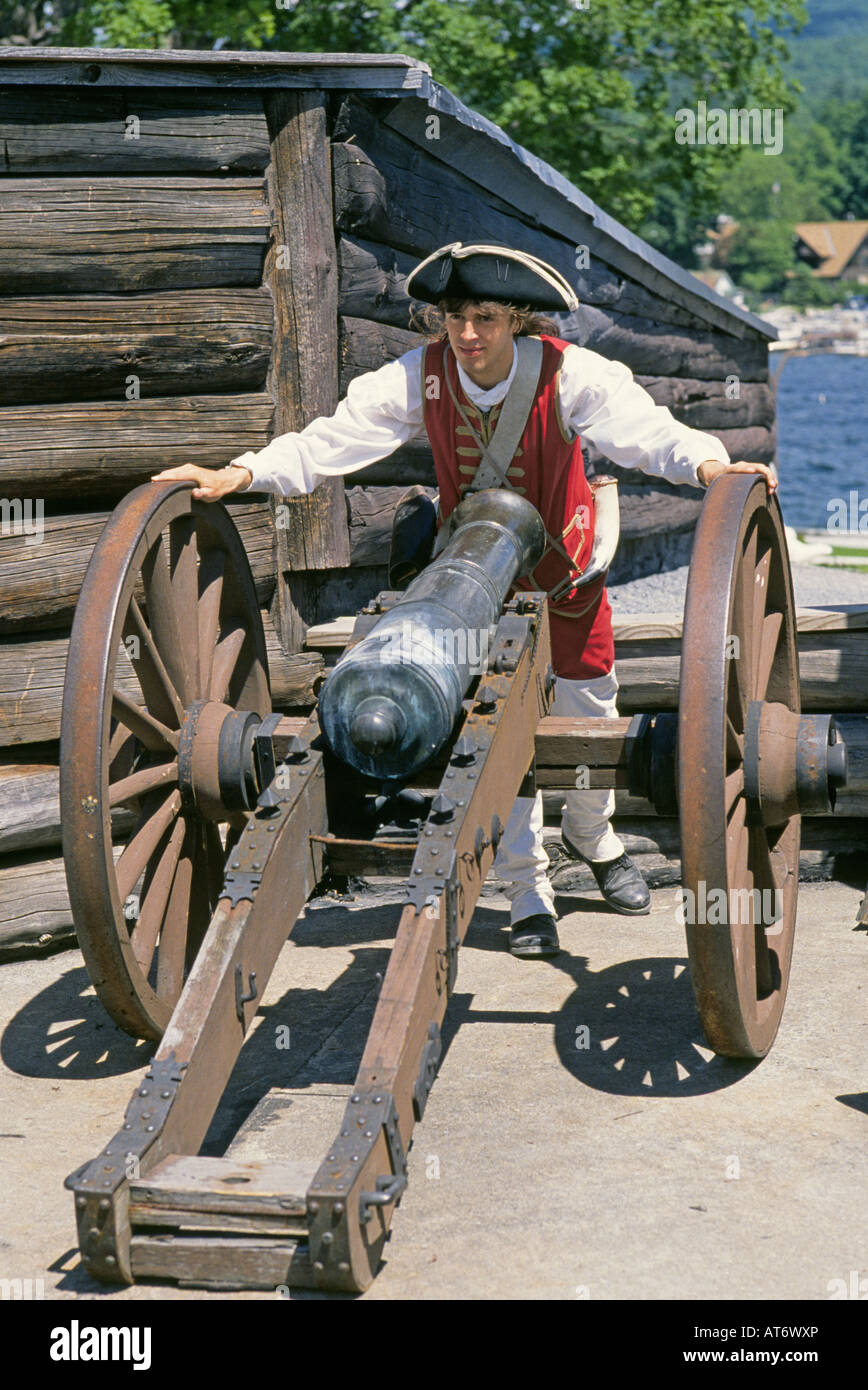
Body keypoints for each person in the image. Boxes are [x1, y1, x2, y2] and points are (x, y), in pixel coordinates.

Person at [153, 242, 776, 960]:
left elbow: (647, 433)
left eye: (485, 316)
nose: (469, 334)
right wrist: (243, 472)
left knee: (590, 713)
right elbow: (335, 439)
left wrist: (709, 463)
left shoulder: (571, 376)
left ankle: (592, 833)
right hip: (473, 590)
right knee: (492, 732)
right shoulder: (420, 378)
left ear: (517, 320)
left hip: (563, 577)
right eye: (455, 317)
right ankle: (528, 888)